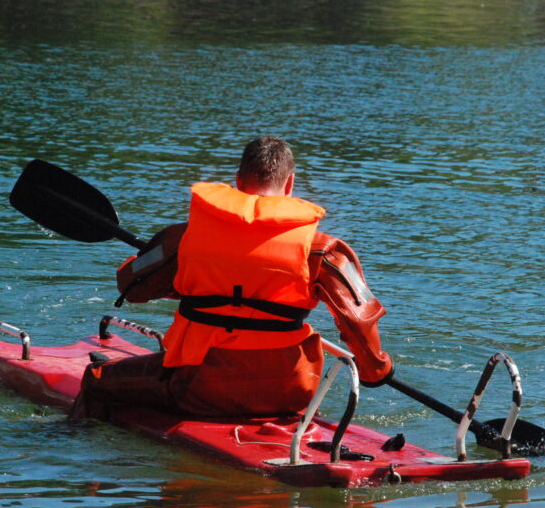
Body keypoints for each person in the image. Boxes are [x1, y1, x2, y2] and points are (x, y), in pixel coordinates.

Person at [70, 135, 393, 421]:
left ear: (238, 181)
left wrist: (192, 278)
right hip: (292, 389)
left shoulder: (185, 238)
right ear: (290, 183)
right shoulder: (323, 250)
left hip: (198, 387)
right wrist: (376, 371)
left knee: (96, 377)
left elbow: (131, 288)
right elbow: (359, 321)